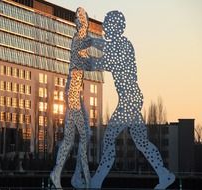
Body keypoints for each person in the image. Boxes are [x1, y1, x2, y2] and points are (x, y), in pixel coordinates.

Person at [84, 11, 175, 189]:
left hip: (130, 100)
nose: (105, 29)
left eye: (108, 26)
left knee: (109, 138)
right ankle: (165, 175)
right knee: (142, 142)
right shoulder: (118, 44)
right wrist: (89, 40)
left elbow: (105, 62)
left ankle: (96, 181)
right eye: (105, 26)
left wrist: (84, 59)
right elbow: (104, 46)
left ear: (117, 28)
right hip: (130, 99)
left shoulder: (124, 46)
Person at [50, 7, 91, 189]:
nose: (82, 23)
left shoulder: (80, 40)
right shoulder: (79, 40)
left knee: (70, 139)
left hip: (75, 93)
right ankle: (81, 177)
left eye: (83, 20)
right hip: (73, 93)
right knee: (84, 135)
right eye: (80, 20)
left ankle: (60, 174)